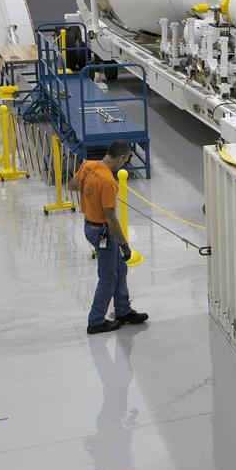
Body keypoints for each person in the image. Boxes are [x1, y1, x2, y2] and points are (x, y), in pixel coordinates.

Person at [68, 139, 149, 335]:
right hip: (102, 231)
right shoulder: (107, 182)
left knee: (120, 268)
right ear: (121, 157)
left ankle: (123, 311)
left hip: (90, 225)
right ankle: (95, 321)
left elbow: (73, 185)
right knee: (108, 278)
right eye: (126, 160)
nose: (125, 164)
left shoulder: (88, 165)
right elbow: (111, 217)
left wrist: (91, 194)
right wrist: (124, 245)